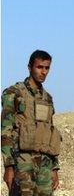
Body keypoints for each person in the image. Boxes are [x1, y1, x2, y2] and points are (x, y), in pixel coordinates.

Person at [2, 50, 62, 196]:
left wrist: (54, 168)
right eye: (39, 67)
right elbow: (5, 130)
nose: (44, 72)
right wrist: (9, 167)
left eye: (47, 68)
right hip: (22, 162)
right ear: (30, 67)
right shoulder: (14, 93)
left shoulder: (47, 98)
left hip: (45, 165)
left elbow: (50, 133)